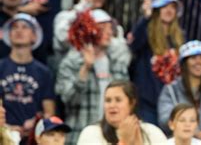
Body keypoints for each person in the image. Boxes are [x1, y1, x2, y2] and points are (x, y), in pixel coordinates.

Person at [55, 9, 131, 145]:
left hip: (113, 137)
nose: (109, 33)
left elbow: (127, 102)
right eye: (103, 28)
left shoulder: (117, 63)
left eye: (110, 28)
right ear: (88, 30)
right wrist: (85, 68)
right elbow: (67, 99)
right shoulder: (71, 62)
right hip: (80, 135)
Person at [130, 0, 185, 125]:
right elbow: (134, 44)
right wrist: (145, 17)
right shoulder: (145, 32)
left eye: (172, 6)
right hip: (148, 100)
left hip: (173, 98)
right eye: (164, 6)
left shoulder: (180, 36)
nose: (169, 10)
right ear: (156, 10)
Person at [158, 40, 201, 144]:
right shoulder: (171, 90)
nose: (198, 62)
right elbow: (164, 119)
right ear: (184, 63)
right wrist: (188, 128)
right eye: (193, 58)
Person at [0, 13, 55, 142]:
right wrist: (7, 128)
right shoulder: (0, 67)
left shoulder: (44, 72)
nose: (19, 30)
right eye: (15, 27)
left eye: (25, 27)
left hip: (33, 139)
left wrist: (36, 123)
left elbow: (49, 111)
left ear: (34, 36)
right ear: (9, 34)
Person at [77, 80, 167, 144]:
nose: (112, 105)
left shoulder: (152, 132)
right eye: (108, 100)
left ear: (132, 103)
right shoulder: (91, 133)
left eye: (118, 100)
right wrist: (124, 142)